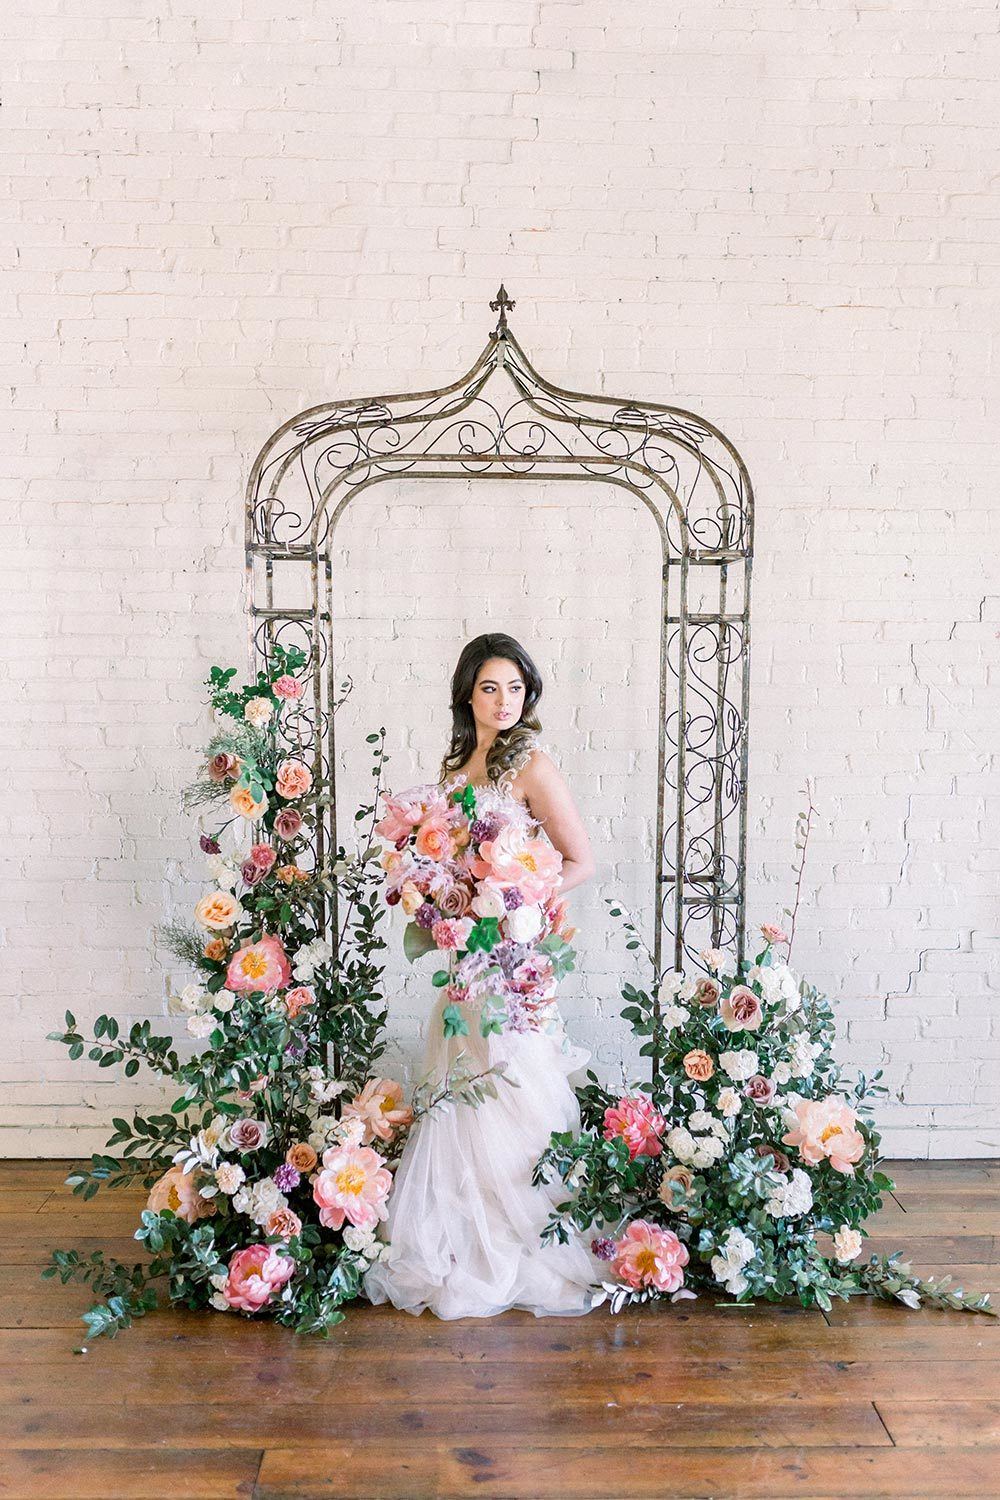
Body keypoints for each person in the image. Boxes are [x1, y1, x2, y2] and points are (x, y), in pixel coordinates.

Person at [363, 632, 601, 1319]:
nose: (504, 701)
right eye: (491, 687)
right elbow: (446, 862)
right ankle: (461, 1235)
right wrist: (439, 894)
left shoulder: (531, 763)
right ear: (469, 692)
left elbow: (578, 859)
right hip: (467, 955)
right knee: (460, 1088)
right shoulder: (459, 766)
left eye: (516, 688)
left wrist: (525, 904)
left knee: (514, 1086)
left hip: (514, 958)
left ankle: (522, 1236)